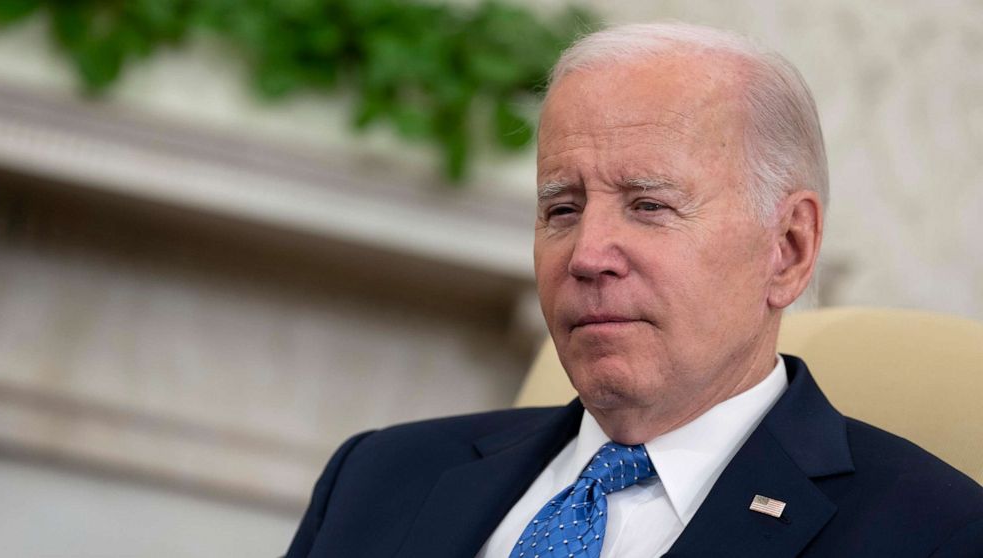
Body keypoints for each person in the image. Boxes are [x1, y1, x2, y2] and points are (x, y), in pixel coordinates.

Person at [285, 22, 983, 558]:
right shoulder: (376, 476)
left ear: (789, 249)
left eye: (649, 205)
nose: (587, 256)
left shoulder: (935, 535)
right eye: (562, 208)